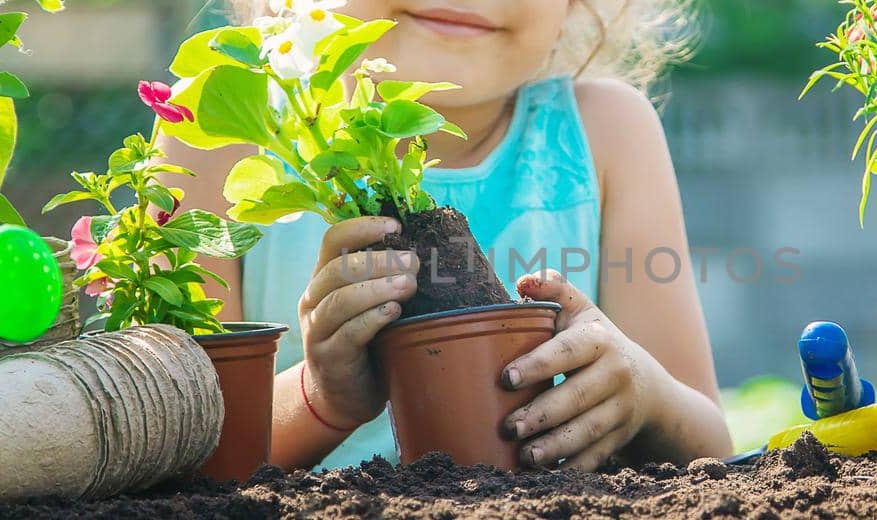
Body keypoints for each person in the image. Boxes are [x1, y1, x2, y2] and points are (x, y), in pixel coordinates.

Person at [163, 0, 731, 472]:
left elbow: (710, 448)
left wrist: (642, 392)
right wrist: (323, 399)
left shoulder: (608, 131)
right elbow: (178, 455)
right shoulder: (220, 127)